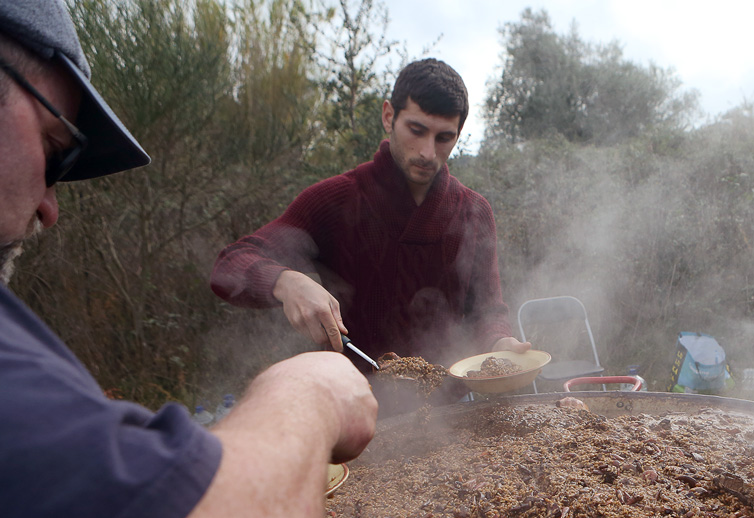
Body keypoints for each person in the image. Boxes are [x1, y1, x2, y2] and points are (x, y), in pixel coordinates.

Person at [0, 3, 378, 518]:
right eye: (56, 149)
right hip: (346, 399)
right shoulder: (341, 195)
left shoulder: (465, 208)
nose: (50, 206)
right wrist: (304, 388)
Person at [210, 58, 529, 373]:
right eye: (416, 130)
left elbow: (487, 312)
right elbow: (231, 263)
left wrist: (499, 343)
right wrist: (285, 281)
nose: (427, 152)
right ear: (389, 116)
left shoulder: (474, 212)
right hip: (351, 405)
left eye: (444, 137)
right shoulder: (334, 201)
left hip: (449, 417)